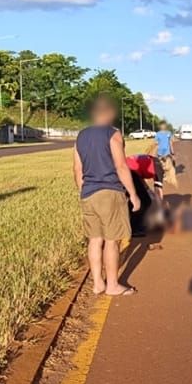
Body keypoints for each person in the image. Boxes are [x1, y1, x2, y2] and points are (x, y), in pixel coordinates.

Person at [73, 96, 140, 296]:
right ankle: (112, 285)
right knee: (113, 240)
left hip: (88, 193)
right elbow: (120, 165)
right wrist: (134, 194)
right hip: (110, 192)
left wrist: (83, 191)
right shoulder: (113, 134)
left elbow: (78, 169)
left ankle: (97, 284)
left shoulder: (81, 136)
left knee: (95, 239)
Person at [126, 153, 164, 237]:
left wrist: (148, 191)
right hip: (129, 172)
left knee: (134, 200)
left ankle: (132, 224)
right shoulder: (159, 170)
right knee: (145, 201)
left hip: (124, 169)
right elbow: (158, 192)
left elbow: (140, 178)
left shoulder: (152, 160)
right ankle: (135, 228)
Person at [153, 122, 177, 189]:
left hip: (164, 152)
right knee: (164, 164)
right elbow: (157, 144)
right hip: (163, 152)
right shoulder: (166, 133)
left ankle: (164, 175)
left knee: (164, 163)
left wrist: (172, 151)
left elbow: (157, 143)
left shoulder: (163, 134)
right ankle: (165, 176)